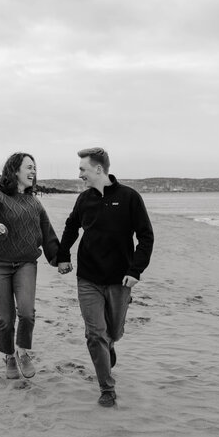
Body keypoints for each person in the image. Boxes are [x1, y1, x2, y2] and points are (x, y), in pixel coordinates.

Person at [57, 147, 154, 407]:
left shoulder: (129, 197)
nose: (80, 175)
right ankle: (107, 388)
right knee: (94, 333)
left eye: (82, 170)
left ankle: (110, 343)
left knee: (114, 331)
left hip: (119, 279)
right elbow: (71, 226)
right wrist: (63, 255)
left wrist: (136, 271)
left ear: (98, 169)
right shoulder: (84, 199)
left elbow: (145, 236)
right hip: (88, 276)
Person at [0, 152, 59, 380]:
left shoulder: (35, 203)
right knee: (6, 318)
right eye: (29, 167)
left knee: (27, 313)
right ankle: (9, 356)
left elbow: (47, 234)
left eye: (35, 168)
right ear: (14, 171)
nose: (33, 171)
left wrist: (58, 259)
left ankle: (22, 352)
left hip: (25, 263)